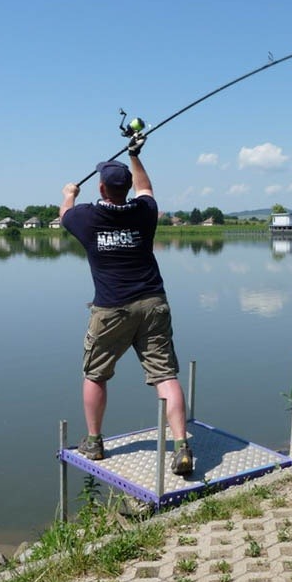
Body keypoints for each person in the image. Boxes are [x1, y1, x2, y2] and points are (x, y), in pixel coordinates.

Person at [59, 135, 193, 476]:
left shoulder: (85, 218)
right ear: (127, 189)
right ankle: (181, 444)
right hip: (153, 304)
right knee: (166, 375)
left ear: (102, 189)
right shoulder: (145, 213)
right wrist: (135, 155)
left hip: (111, 310)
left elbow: (65, 215)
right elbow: (146, 189)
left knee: (95, 375)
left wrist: (68, 195)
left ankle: (94, 441)